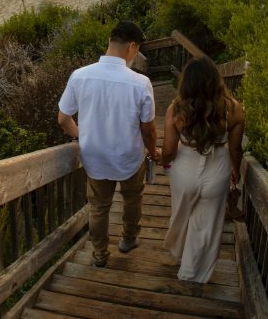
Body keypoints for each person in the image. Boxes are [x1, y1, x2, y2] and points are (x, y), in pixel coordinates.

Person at [57, 20, 158, 267]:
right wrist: (153, 151)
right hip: (129, 157)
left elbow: (63, 118)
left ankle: (100, 253)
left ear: (110, 42)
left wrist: (83, 136)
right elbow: (148, 128)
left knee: (99, 206)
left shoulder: (80, 76)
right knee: (133, 198)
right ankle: (128, 239)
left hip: (95, 157)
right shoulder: (140, 83)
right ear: (132, 47)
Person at [160, 55, 244, 283]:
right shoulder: (234, 109)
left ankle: (178, 249)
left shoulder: (175, 109)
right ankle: (192, 273)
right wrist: (236, 170)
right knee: (206, 225)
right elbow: (235, 149)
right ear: (216, 81)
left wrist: (162, 160)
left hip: (184, 169)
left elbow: (168, 150)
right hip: (217, 168)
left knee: (182, 212)